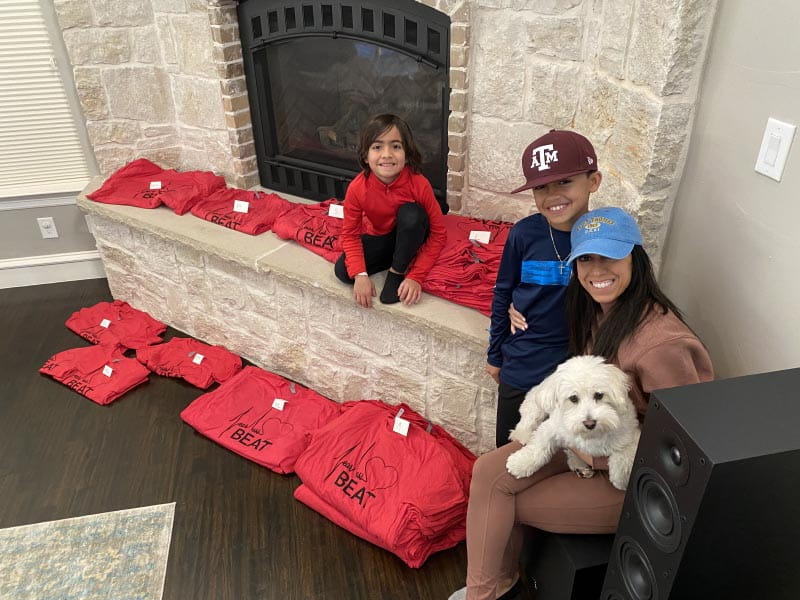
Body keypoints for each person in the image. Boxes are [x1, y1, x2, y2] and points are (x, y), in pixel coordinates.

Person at [449, 207, 714, 600]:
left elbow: (683, 453)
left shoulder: (663, 344)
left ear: (636, 257)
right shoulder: (597, 310)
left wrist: (599, 461)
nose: (597, 269)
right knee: (489, 472)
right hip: (585, 441)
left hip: (631, 475)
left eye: (611, 255)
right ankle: (493, 588)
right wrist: (510, 307)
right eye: (586, 258)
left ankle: (488, 591)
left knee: (508, 500)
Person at [487, 130, 602, 446]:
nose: (552, 195)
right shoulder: (523, 235)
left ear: (593, 181)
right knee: (511, 449)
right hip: (522, 364)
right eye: (540, 186)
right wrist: (495, 354)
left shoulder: (603, 237)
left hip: (574, 374)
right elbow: (503, 291)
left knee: (560, 452)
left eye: (565, 182)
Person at [334, 113, 446, 307]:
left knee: (412, 214)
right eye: (377, 147)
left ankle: (397, 270)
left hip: (413, 228)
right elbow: (350, 234)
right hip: (385, 235)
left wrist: (416, 276)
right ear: (366, 156)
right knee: (343, 272)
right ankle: (403, 254)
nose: (387, 154)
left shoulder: (419, 184)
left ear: (407, 154)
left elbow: (439, 234)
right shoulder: (357, 188)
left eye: (395, 146)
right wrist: (360, 274)